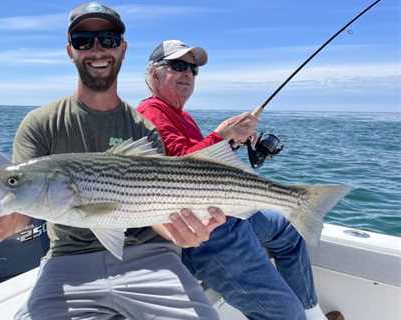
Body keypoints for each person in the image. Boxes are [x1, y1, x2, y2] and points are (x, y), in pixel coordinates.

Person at [0, 4, 225, 320]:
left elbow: (150, 204)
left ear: (123, 48)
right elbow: (21, 213)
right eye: (83, 40)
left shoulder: (144, 129)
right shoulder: (40, 123)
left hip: (150, 258)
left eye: (109, 38)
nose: (97, 49)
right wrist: (0, 223)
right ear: (70, 51)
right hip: (68, 261)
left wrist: (182, 233)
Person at [137, 39, 345, 320]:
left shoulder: (182, 116)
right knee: (286, 315)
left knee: (288, 231)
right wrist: (222, 135)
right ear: (154, 74)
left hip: (228, 212)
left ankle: (312, 311)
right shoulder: (150, 112)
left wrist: (231, 142)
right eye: (177, 66)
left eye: (193, 69)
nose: (188, 73)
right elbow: (179, 168)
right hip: (208, 233)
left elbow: (206, 165)